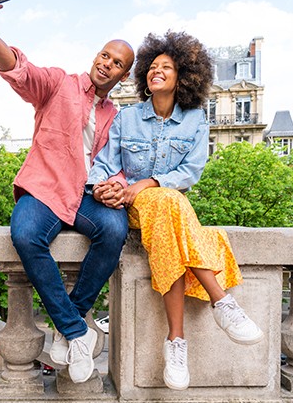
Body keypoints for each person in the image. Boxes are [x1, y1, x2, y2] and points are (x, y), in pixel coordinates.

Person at [0, 0, 134, 384]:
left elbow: (115, 166)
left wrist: (116, 187)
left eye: (116, 63)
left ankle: (69, 321)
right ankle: (78, 331)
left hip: (85, 195)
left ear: (124, 75)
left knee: (114, 228)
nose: (106, 64)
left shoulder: (115, 117)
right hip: (45, 190)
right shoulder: (59, 83)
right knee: (25, 234)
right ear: (95, 56)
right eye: (104, 55)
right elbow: (15, 67)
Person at [87, 31, 263, 391]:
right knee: (169, 204)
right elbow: (105, 163)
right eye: (152, 67)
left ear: (182, 77)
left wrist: (147, 182)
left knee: (168, 206)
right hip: (133, 206)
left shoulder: (196, 120)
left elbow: (190, 172)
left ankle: (176, 342)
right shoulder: (126, 118)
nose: (156, 71)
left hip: (166, 204)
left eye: (166, 67)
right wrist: (103, 188)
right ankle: (222, 302)